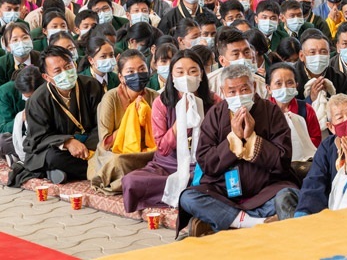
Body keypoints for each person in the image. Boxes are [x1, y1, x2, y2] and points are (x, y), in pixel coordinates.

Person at [177, 64, 300, 237]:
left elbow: (282, 160)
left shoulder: (271, 111)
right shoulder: (215, 115)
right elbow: (206, 163)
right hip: (225, 194)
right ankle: (254, 223)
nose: (239, 97)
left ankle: (228, 222)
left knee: (289, 195)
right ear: (223, 91)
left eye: (244, 89)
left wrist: (252, 139)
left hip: (266, 191)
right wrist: (233, 139)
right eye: (232, 92)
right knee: (188, 198)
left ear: (254, 87)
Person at [121, 50, 220, 212]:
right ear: (172, 77)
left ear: (201, 74)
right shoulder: (162, 102)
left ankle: (188, 192)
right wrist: (180, 121)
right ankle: (188, 195)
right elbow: (162, 147)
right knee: (131, 181)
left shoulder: (214, 101)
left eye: (193, 71)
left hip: (201, 165)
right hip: (167, 165)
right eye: (180, 72)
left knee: (209, 181)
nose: (186, 77)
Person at [21, 46, 104, 185]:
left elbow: (102, 122)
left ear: (75, 64)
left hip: (91, 143)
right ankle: (100, 171)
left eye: (68, 66)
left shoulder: (91, 85)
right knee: (53, 158)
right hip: (60, 149)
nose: (65, 73)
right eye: (58, 71)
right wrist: (67, 142)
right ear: (46, 77)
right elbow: (39, 137)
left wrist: (88, 146)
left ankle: (64, 172)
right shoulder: (38, 100)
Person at [87, 50, 159, 193]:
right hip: (118, 153)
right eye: (130, 71)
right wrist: (132, 120)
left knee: (163, 158)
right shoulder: (111, 98)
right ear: (121, 77)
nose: (137, 75)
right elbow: (106, 142)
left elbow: (159, 135)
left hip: (147, 152)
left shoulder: (155, 96)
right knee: (119, 162)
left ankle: (138, 180)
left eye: (142, 69)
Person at [266, 63, 321, 162]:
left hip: (303, 163)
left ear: (296, 85)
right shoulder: (264, 111)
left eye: (289, 82)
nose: (284, 87)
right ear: (269, 88)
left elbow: (316, 139)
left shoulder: (306, 109)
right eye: (278, 83)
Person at [207, 27, 267, 99]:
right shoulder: (209, 84)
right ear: (222, 61)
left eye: (246, 52)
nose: (243, 58)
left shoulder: (262, 85)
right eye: (236, 54)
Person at [0, 66, 44, 164]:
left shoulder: (47, 90)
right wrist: (21, 118)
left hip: (42, 136)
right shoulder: (5, 92)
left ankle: (20, 158)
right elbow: (3, 128)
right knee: (2, 141)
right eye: (28, 97)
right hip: (20, 136)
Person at [294, 29, 347, 105]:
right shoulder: (292, 77)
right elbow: (288, 108)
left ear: (329, 54)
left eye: (323, 52)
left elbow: (346, 106)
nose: (318, 56)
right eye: (312, 52)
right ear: (301, 56)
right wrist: (310, 99)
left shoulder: (338, 77)